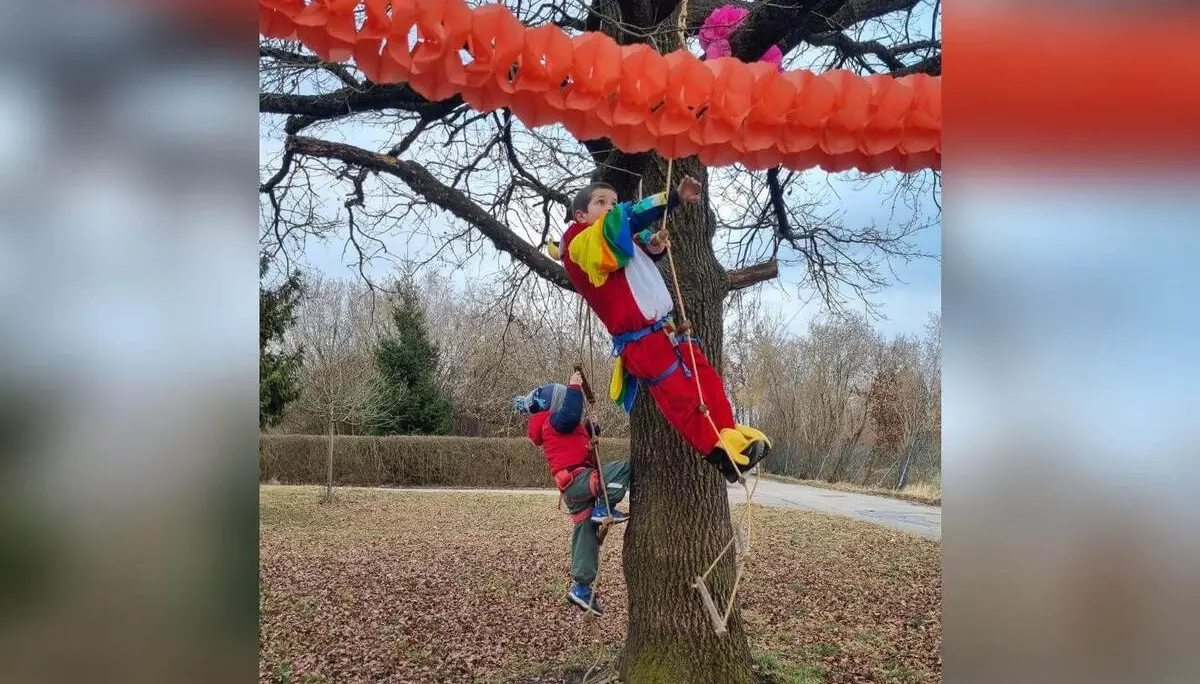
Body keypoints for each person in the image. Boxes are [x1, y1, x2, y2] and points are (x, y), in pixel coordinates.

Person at [547, 178, 771, 483]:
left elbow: (632, 256)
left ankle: (732, 434)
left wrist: (652, 247)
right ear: (581, 216)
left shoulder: (615, 239)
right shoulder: (580, 243)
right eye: (601, 202)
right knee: (680, 394)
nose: (611, 207)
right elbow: (624, 221)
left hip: (666, 330)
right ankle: (718, 451)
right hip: (642, 342)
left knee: (705, 379)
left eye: (613, 202)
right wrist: (673, 197)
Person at [514, 370, 631, 617]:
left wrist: (591, 427)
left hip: (572, 488)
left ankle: (582, 587)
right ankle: (604, 507)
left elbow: (576, 439)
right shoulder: (554, 420)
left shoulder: (557, 426)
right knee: (622, 469)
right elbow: (570, 415)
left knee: (585, 535)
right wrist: (575, 387)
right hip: (578, 481)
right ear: (558, 402)